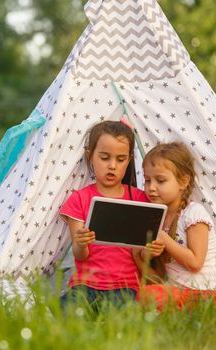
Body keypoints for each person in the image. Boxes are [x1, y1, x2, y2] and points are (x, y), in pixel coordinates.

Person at [59, 119, 163, 310]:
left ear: (129, 160)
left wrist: (151, 250)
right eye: (105, 158)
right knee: (67, 312)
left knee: (124, 320)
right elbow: (80, 255)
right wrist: (81, 243)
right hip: (85, 284)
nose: (112, 166)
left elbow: (141, 253)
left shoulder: (140, 199)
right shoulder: (79, 199)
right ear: (90, 157)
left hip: (126, 287)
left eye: (120, 159)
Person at [137, 142, 216, 311]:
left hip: (213, 295)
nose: (151, 187)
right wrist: (145, 256)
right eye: (147, 180)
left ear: (183, 182)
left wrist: (164, 239)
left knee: (149, 296)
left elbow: (196, 263)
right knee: (143, 293)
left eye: (160, 180)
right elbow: (158, 277)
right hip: (180, 293)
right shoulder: (157, 217)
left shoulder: (193, 213)